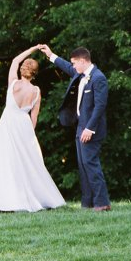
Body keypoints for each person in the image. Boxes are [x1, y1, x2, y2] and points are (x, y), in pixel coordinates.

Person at [0, 45, 67, 213]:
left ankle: (2, 200)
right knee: (27, 163)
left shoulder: (13, 83)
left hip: (9, 124)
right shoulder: (36, 91)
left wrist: (34, 48)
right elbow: (34, 117)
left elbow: (15, 60)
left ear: (23, 70)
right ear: (35, 73)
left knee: (4, 160)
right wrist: (31, 136)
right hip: (24, 127)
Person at [43, 44, 110, 211]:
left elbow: (100, 106)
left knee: (90, 163)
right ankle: (87, 204)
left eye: (74, 63)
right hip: (80, 126)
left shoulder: (98, 78)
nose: (72, 66)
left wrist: (90, 129)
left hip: (90, 129)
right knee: (82, 165)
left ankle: (102, 203)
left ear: (83, 61)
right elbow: (66, 66)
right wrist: (51, 55)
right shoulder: (80, 74)